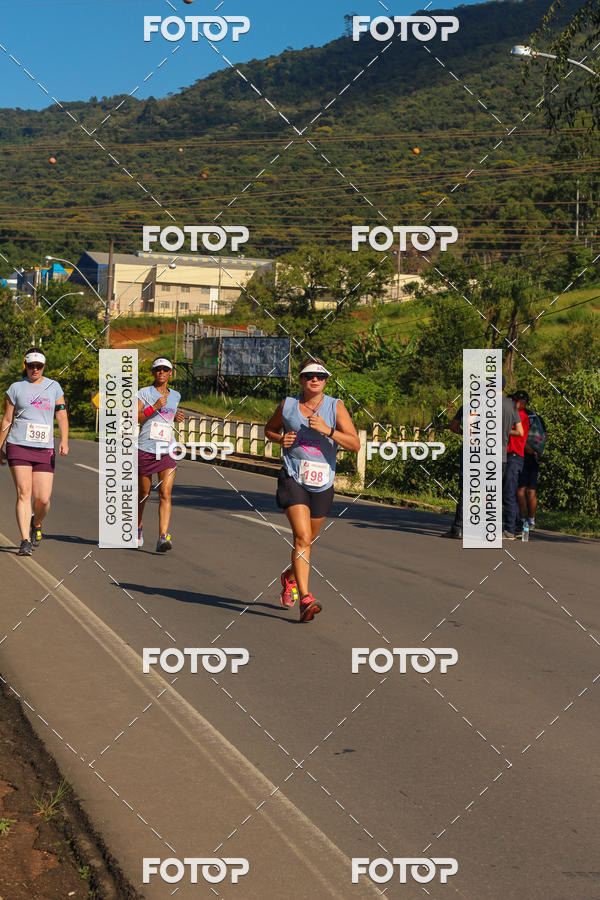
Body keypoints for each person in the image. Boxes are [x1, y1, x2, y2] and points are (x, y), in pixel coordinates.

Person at [265, 359, 360, 622]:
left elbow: (354, 444)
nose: (314, 379)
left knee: (308, 541)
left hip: (323, 482)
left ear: (326, 380)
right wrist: (280, 439)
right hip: (293, 476)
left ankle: (289, 577)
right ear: (301, 380)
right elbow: (269, 430)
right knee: (302, 538)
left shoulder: (335, 406)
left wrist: (328, 430)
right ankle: (306, 599)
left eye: (320, 376)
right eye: (309, 376)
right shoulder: (287, 405)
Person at [0, 349, 68, 555]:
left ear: (44, 366)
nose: (35, 369)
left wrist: (64, 440)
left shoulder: (54, 387)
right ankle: (25, 540)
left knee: (43, 499)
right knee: (24, 492)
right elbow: (7, 419)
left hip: (44, 448)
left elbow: (62, 415)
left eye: (39, 366)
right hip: (18, 445)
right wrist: (0, 445)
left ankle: (36, 523)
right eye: (31, 366)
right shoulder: (15, 388)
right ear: (26, 366)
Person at [443, 375, 522, 539]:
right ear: (504, 388)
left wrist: (470, 435)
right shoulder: (511, 406)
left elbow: (465, 422)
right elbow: (520, 432)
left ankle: (459, 528)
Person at [137, 358, 184, 552]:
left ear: (170, 373)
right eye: (158, 369)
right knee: (144, 493)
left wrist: (177, 417)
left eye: (165, 369)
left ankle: (162, 536)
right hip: (146, 448)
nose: (161, 372)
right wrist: (154, 406)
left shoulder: (176, 395)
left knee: (165, 493)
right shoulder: (144, 392)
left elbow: (169, 417)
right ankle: (138, 527)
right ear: (153, 372)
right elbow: (135, 416)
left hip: (167, 449)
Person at [502, 389, 529, 540]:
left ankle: (509, 530)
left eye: (516, 401)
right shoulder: (516, 414)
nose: (513, 403)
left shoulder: (521, 416)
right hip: (513, 456)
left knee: (509, 493)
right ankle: (518, 526)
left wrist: (501, 429)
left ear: (523, 403)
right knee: (511, 492)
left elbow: (518, 432)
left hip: (514, 456)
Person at [517, 403, 547, 533]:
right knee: (532, 490)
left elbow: (518, 436)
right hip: (535, 457)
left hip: (521, 456)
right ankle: (532, 520)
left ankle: (522, 520)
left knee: (521, 490)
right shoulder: (537, 418)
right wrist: (537, 451)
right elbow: (545, 437)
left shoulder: (519, 416)